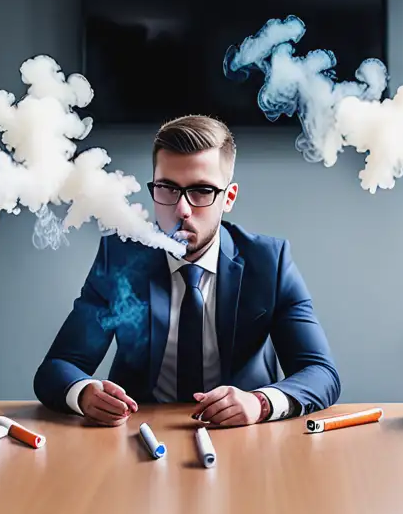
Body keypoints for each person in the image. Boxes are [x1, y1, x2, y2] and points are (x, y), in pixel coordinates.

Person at [34, 115, 339, 426]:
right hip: (141, 436)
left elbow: (321, 373)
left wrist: (260, 402)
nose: (181, 209)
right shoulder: (120, 259)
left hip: (245, 439)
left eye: (202, 191)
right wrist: (84, 393)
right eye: (167, 188)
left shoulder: (268, 262)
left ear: (228, 197)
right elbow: (58, 366)